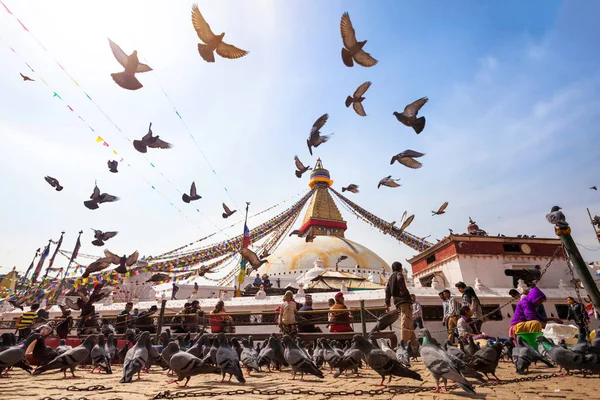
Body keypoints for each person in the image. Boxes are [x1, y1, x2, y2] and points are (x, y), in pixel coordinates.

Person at [385, 262, 416, 345]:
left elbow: (387, 290)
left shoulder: (390, 278)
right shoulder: (399, 274)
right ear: (400, 268)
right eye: (401, 268)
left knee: (409, 323)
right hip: (404, 301)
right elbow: (400, 279)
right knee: (406, 323)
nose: (402, 269)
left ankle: (414, 346)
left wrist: (387, 302)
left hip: (398, 302)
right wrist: (403, 290)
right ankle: (404, 345)